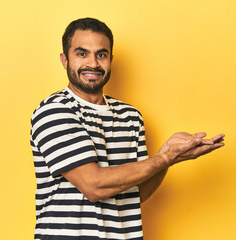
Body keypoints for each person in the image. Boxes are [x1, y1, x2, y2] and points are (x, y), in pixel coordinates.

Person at [30, 17, 225, 240]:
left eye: (101, 54)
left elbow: (134, 193)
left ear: (110, 59)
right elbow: (94, 186)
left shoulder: (130, 117)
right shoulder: (54, 111)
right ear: (65, 60)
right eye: (82, 53)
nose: (93, 64)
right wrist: (164, 159)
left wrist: (170, 155)